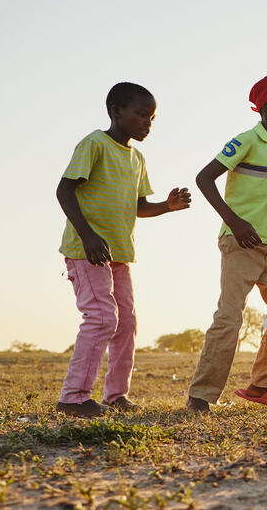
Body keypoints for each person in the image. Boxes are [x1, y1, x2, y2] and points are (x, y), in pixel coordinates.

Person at [55, 82, 191, 417]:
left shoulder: (137, 158)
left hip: (119, 254)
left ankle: (116, 395)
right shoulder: (94, 144)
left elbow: (139, 207)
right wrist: (87, 236)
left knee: (126, 323)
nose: (148, 122)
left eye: (153, 117)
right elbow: (64, 191)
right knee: (102, 318)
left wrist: (167, 206)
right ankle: (73, 398)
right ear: (116, 112)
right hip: (87, 250)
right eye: (141, 114)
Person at [186, 75, 267, 413]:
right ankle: (200, 396)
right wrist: (234, 221)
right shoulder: (246, 141)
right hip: (239, 242)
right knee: (230, 317)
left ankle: (261, 386)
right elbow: (204, 178)